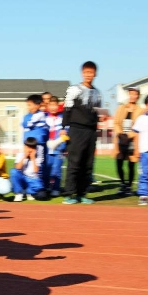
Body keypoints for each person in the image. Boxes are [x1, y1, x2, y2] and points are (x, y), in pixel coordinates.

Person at [61, 61, 102, 205]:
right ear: (82, 73)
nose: (89, 75)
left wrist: (101, 118)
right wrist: (63, 128)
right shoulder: (73, 89)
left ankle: (82, 193)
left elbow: (98, 113)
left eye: (91, 72)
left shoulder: (97, 93)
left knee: (88, 163)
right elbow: (66, 110)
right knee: (74, 162)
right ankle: (69, 194)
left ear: (95, 74)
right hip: (76, 129)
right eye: (86, 72)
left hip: (91, 131)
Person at [112, 87, 144, 195]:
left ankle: (129, 186)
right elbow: (116, 122)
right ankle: (122, 183)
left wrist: (130, 135)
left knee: (131, 164)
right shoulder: (121, 108)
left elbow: (140, 126)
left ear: (138, 96)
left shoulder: (140, 110)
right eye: (131, 94)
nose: (132, 96)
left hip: (132, 140)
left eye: (135, 94)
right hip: (121, 139)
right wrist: (121, 134)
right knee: (119, 161)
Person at [21, 94, 49, 187]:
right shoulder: (27, 116)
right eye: (27, 105)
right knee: (26, 164)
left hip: (38, 144)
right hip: (28, 144)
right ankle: (26, 185)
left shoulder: (40, 114)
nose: (28, 107)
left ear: (37, 105)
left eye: (30, 105)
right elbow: (25, 126)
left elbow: (27, 124)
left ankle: (39, 186)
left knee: (38, 164)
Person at [10, 137, 47, 202]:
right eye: (28, 147)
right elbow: (17, 168)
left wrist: (33, 158)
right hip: (23, 178)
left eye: (32, 148)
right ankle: (19, 193)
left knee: (42, 195)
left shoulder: (38, 157)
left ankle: (29, 192)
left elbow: (36, 170)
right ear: (25, 147)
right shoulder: (20, 154)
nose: (30, 150)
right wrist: (25, 156)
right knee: (13, 171)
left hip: (33, 179)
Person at [44, 97, 68, 196]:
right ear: (47, 106)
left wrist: (65, 147)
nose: (53, 108)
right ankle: (46, 187)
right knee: (47, 168)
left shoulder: (63, 119)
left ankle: (56, 188)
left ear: (58, 106)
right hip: (47, 148)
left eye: (55, 105)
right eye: (51, 105)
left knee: (57, 169)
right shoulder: (44, 118)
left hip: (59, 149)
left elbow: (67, 134)